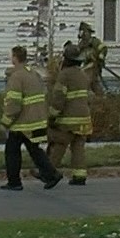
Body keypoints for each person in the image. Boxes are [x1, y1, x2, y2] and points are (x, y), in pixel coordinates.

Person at [0, 45, 60, 191]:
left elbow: (14, 104)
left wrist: (5, 123)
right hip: (38, 120)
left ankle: (14, 182)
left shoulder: (16, 77)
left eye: (11, 56)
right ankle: (52, 174)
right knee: (34, 150)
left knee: (12, 151)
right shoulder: (33, 74)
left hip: (23, 123)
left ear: (15, 58)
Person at [47, 40, 94, 185]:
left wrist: (52, 116)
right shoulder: (83, 75)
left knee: (59, 145)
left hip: (67, 120)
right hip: (84, 119)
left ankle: (48, 173)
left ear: (66, 59)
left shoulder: (65, 75)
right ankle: (79, 176)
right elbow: (90, 96)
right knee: (78, 147)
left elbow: (59, 98)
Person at [76, 21, 109, 95]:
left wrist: (100, 57)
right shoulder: (81, 43)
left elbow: (103, 48)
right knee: (93, 83)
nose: (84, 34)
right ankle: (100, 97)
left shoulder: (94, 41)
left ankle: (98, 98)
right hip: (86, 65)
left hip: (94, 65)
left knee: (89, 80)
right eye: (82, 32)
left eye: (85, 32)